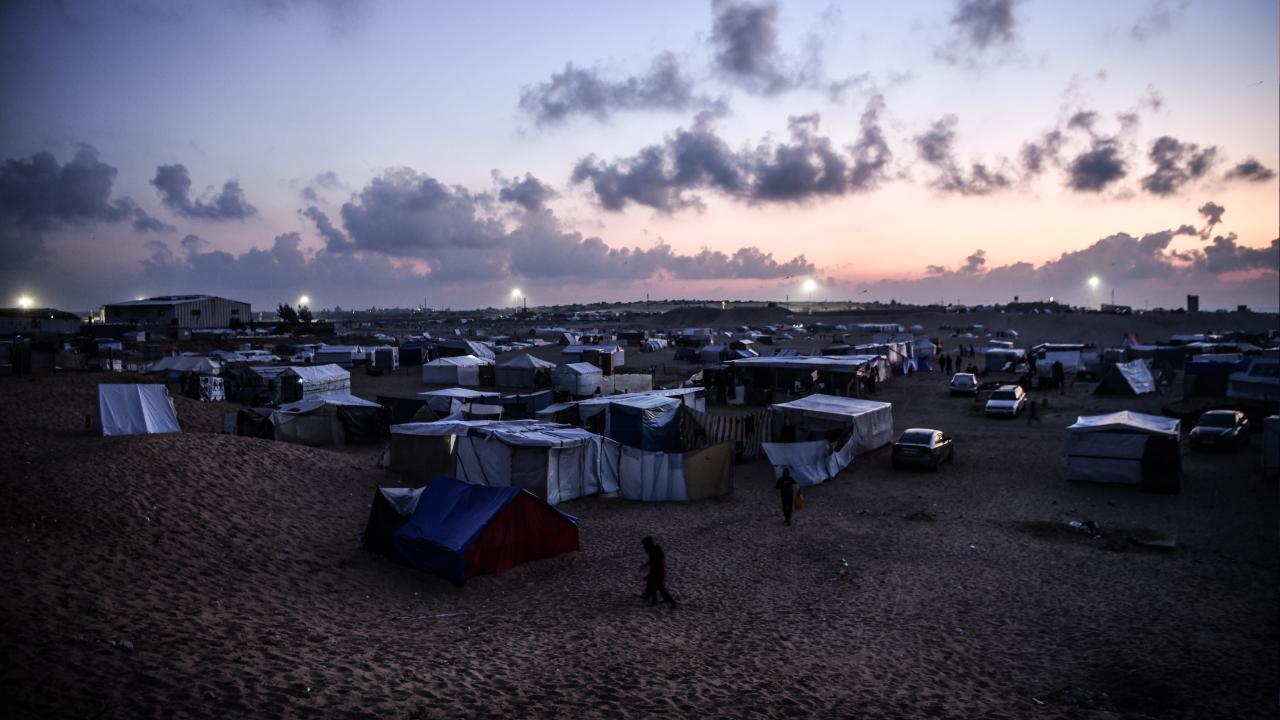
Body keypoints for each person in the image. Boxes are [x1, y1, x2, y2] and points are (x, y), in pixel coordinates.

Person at [640, 536, 677, 607]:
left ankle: (671, 602)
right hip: (660, 571)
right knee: (655, 586)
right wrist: (646, 565)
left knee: (658, 587)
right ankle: (657, 600)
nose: (643, 546)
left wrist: (649, 574)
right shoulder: (655, 549)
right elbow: (655, 562)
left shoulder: (652, 552)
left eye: (644, 545)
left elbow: (655, 564)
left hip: (658, 572)